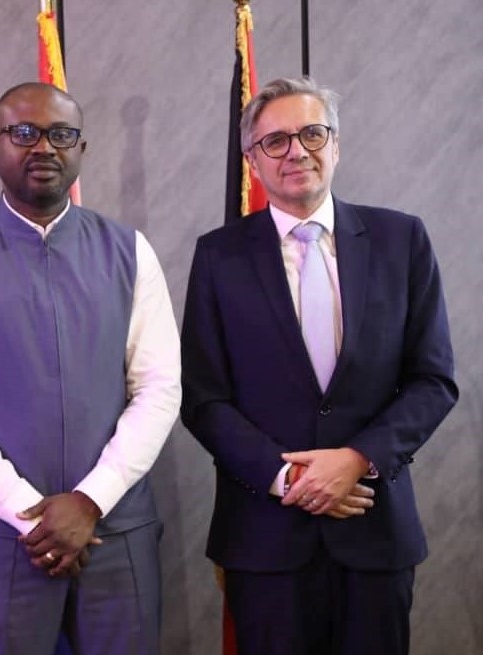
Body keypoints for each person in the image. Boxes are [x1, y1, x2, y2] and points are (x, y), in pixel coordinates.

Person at [181, 76, 458, 655]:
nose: (297, 152)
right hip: (265, 536)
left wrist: (357, 459)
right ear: (253, 161)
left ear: (336, 144)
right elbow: (203, 397)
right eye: (275, 141)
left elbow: (433, 380)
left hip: (374, 527)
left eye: (312, 133)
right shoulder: (218, 255)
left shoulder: (401, 239)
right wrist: (289, 479)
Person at [0, 82, 181, 655]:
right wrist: (30, 517)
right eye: (23, 133)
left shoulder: (129, 251)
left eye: (61, 134)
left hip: (115, 530)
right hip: (4, 540)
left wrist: (90, 501)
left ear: (81, 148)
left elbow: (159, 389)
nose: (43, 147)